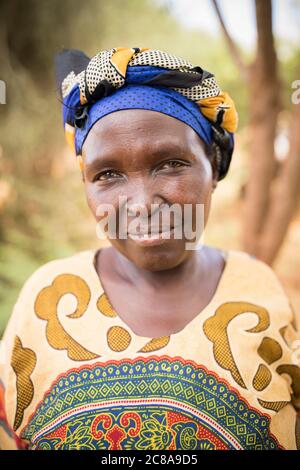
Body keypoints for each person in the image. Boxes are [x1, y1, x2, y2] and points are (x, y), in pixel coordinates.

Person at [0, 47, 299, 450]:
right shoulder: (45, 298)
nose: (141, 204)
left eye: (171, 164)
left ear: (213, 166)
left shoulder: (261, 289)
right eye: (107, 174)